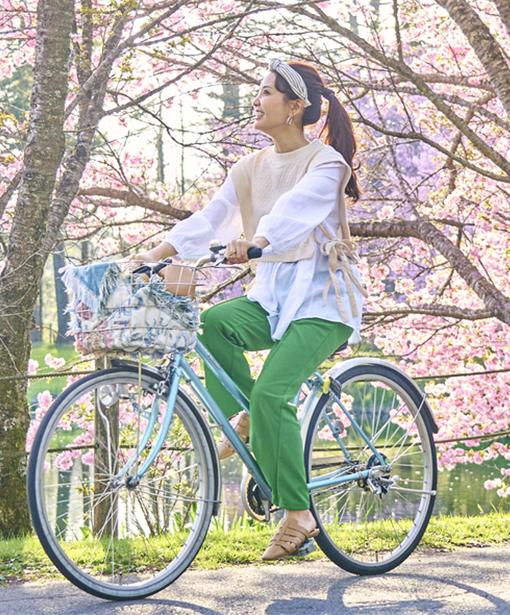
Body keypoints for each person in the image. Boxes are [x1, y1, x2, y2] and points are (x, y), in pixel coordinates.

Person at [139, 57, 365, 561]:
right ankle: (244, 413)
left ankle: (298, 513)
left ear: (294, 107)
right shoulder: (250, 167)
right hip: (273, 295)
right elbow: (212, 217)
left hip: (324, 299)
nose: (255, 100)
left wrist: (258, 239)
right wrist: (154, 255)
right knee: (213, 323)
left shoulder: (326, 163)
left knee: (273, 393)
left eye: (265, 92)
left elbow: (296, 210)